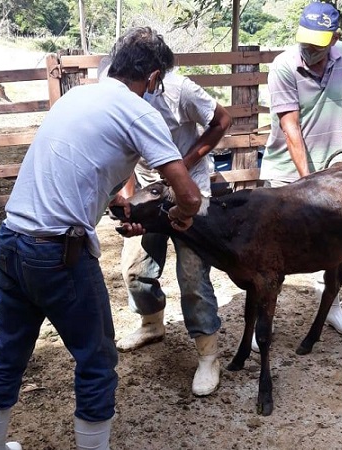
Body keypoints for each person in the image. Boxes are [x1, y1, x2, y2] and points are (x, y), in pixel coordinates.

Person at [0, 38, 202, 450]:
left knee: (9, 350)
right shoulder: (140, 112)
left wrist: (112, 199)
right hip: (57, 254)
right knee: (97, 361)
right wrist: (181, 217)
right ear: (153, 77)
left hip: (11, 239)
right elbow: (188, 195)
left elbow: (74, 164)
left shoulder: (76, 95)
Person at [98, 27, 232, 397]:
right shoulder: (112, 83)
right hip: (144, 189)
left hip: (190, 191)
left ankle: (208, 354)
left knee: (192, 276)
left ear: (154, 76)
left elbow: (222, 120)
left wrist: (184, 163)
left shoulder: (181, 90)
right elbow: (117, 147)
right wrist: (128, 197)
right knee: (135, 269)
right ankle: (152, 323)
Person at [258, 1, 342, 351]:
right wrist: (308, 184)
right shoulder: (283, 66)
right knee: (270, 249)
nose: (308, 50)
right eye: (304, 43)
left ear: (334, 38)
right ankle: (262, 321)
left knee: (336, 243)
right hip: (285, 173)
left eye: (316, 45)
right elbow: (290, 127)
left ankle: (333, 308)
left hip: (332, 169)